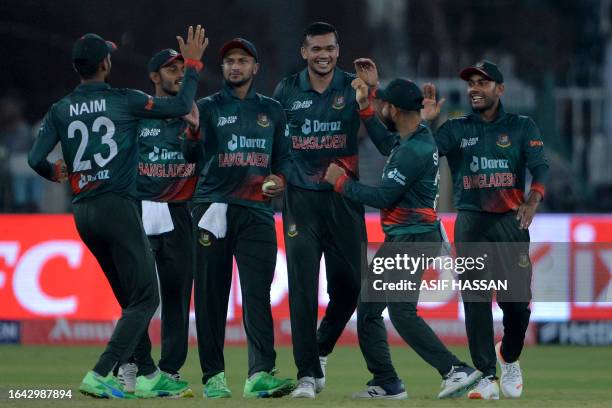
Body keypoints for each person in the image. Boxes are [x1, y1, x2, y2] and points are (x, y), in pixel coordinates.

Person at [28, 26, 208, 399]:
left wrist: (54, 171)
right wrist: (191, 66)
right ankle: (100, 372)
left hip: (82, 212)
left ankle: (145, 373)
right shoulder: (124, 100)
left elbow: (34, 158)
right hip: (119, 206)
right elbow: (177, 107)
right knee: (147, 298)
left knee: (130, 297)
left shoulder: (60, 109)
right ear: (106, 63)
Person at [324, 72, 481, 400]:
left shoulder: (415, 150)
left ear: (394, 109)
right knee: (368, 309)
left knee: (401, 311)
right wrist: (367, 107)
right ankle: (386, 381)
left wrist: (340, 183)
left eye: (383, 104)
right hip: (404, 237)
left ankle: (455, 370)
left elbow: (382, 197)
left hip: (413, 238)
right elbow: (385, 142)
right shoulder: (413, 138)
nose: (381, 107)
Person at [422, 60, 549, 400]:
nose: (474, 88)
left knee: (517, 306)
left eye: (483, 82)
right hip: (472, 223)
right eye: (471, 83)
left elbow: (540, 168)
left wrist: (534, 198)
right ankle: (485, 376)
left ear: (500, 89)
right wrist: (424, 124)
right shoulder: (456, 128)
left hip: (510, 223)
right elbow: (420, 156)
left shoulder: (522, 126)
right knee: (476, 303)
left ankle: (508, 355)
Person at [182, 38, 294, 399]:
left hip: (258, 212)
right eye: (229, 60)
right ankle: (214, 377)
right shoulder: (207, 107)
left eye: (243, 60)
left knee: (257, 296)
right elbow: (189, 155)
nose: (235, 66)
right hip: (213, 208)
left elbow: (283, 163)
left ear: (255, 67)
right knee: (212, 297)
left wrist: (280, 181)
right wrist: (193, 132)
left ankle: (260, 374)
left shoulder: (273, 111)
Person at [273, 21, 377, 398]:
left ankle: (319, 348)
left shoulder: (354, 86)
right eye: (316, 49)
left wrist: (367, 104)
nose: (323, 55)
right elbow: (274, 144)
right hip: (300, 201)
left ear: (338, 50)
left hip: (343, 200)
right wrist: (275, 176)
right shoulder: (286, 90)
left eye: (330, 48)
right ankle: (305, 375)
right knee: (302, 290)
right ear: (304, 52)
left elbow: (384, 142)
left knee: (352, 287)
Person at [115, 48, 200, 396]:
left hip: (179, 211)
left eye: (182, 67)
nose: (178, 73)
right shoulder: (137, 113)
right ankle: (132, 363)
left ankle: (170, 370)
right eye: (170, 68)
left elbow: (204, 159)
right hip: (140, 208)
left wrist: (196, 135)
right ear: (153, 77)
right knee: (139, 297)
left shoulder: (194, 113)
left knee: (178, 296)